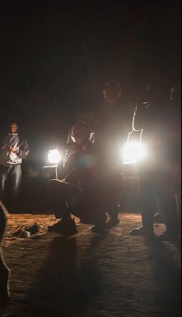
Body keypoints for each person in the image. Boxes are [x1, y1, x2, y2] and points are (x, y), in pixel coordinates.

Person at [129, 75, 180, 241]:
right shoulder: (165, 106)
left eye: (149, 90)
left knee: (157, 193)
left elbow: (136, 125)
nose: (146, 93)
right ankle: (156, 227)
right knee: (151, 193)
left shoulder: (157, 107)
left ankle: (166, 228)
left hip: (158, 156)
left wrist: (138, 107)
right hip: (156, 155)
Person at [47, 122, 107, 236]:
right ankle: (67, 222)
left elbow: (100, 176)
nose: (76, 137)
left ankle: (99, 220)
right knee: (53, 184)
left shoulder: (97, 150)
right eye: (74, 135)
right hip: (81, 200)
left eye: (79, 133)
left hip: (96, 202)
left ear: (88, 134)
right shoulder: (75, 155)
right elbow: (62, 180)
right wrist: (60, 158)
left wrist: (80, 153)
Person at [89, 80, 134, 227]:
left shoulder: (124, 108)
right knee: (100, 180)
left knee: (113, 180)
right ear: (104, 92)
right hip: (100, 149)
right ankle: (102, 213)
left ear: (118, 93)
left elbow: (128, 127)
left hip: (114, 149)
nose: (109, 94)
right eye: (107, 91)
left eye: (112, 91)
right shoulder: (99, 108)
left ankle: (113, 212)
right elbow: (93, 126)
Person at [0, 122, 30, 212]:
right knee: (2, 187)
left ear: (17, 127)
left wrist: (17, 151)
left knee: (15, 188)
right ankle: (1, 209)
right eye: (10, 126)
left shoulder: (21, 139)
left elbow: (26, 153)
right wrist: (1, 148)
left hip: (16, 165)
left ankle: (13, 208)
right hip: (4, 164)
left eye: (14, 126)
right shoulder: (4, 138)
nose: (12, 127)